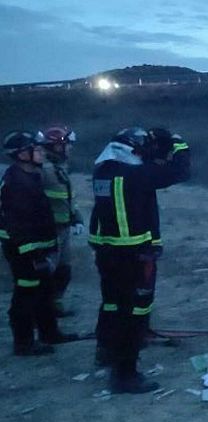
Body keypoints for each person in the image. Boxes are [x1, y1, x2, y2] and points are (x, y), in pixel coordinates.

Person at [89, 127, 190, 393]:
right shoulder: (136, 174)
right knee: (133, 312)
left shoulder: (102, 171)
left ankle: (106, 350)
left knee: (112, 305)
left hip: (107, 252)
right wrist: (178, 143)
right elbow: (180, 171)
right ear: (131, 150)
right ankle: (125, 374)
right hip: (134, 255)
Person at [0, 131, 78, 356]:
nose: (41, 152)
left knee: (44, 291)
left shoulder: (30, 176)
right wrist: (33, 254)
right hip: (24, 250)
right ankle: (23, 342)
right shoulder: (16, 183)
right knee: (26, 293)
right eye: (36, 149)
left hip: (39, 247)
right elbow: (18, 225)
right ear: (22, 154)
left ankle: (49, 333)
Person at [36, 126, 84, 318]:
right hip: (49, 231)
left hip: (63, 229)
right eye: (67, 145)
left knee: (64, 270)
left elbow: (68, 197)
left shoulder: (59, 168)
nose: (69, 149)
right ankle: (42, 311)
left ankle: (54, 305)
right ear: (57, 146)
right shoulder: (43, 170)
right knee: (46, 273)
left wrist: (77, 218)